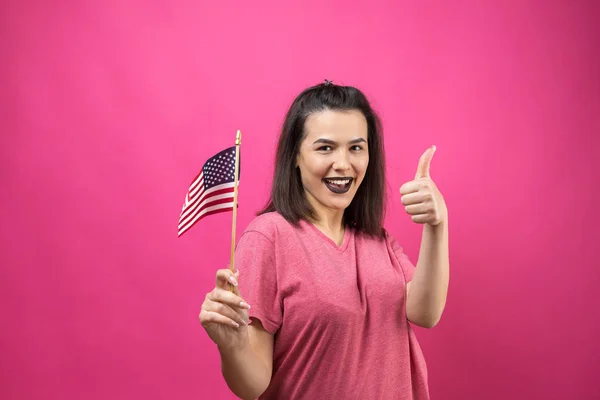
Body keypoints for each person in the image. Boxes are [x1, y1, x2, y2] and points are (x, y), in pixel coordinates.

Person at [199, 81, 450, 400]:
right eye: (325, 148)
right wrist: (231, 346)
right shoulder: (268, 237)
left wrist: (437, 224)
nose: (343, 164)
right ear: (295, 157)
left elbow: (425, 312)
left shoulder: (377, 238)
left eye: (356, 147)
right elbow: (253, 386)